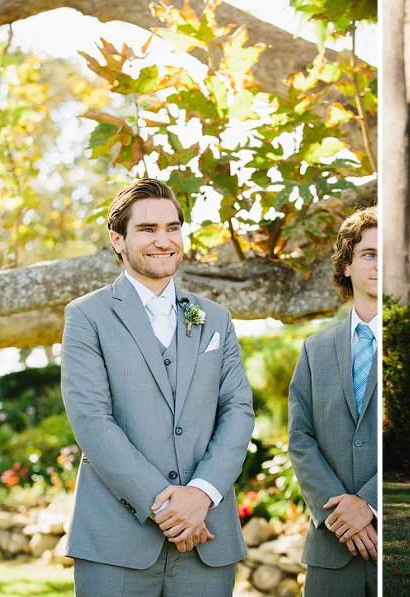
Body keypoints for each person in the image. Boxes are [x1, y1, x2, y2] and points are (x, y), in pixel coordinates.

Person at [60, 179, 255, 595]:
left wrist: (200, 495)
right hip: (116, 542)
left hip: (207, 540)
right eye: (147, 229)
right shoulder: (86, 316)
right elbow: (92, 420)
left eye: (173, 227)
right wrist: (167, 506)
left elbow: (238, 410)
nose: (163, 240)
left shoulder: (215, 318)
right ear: (118, 239)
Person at [288, 207, 379, 595]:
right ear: (346, 265)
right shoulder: (314, 349)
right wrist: (340, 512)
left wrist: (370, 504)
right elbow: (300, 438)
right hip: (331, 548)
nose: (381, 264)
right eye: (370, 254)